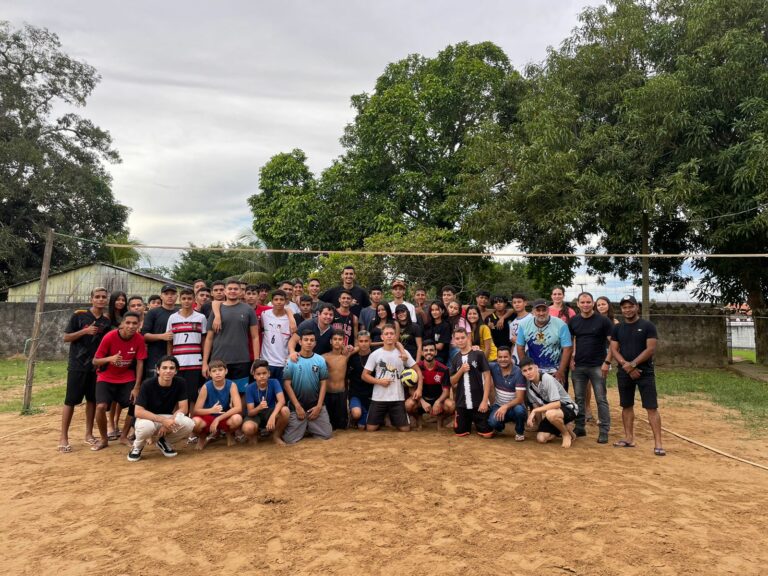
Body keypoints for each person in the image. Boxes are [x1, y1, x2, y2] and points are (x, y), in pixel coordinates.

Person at [58, 287, 112, 452]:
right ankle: (63, 437)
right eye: (97, 297)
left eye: (103, 297)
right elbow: (66, 337)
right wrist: (85, 331)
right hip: (77, 365)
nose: (101, 299)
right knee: (71, 400)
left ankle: (89, 434)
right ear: (92, 299)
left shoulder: (106, 321)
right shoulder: (79, 316)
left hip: (96, 367)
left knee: (92, 400)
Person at [609, 295, 665, 456]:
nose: (627, 310)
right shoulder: (618, 328)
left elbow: (650, 349)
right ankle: (629, 438)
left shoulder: (648, 326)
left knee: (651, 407)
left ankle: (658, 443)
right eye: (624, 307)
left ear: (637, 307)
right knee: (626, 406)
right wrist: (626, 366)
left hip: (645, 372)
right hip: (624, 372)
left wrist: (633, 364)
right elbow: (613, 348)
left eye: (630, 306)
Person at [91, 312, 147, 451]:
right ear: (122, 324)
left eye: (135, 323)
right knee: (100, 407)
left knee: (136, 402)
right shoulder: (110, 337)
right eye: (128, 323)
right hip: (106, 377)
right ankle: (104, 439)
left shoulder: (139, 339)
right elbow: (95, 360)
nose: (131, 326)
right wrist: (110, 359)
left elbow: (140, 363)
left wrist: (137, 386)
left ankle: (123, 436)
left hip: (126, 377)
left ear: (139, 324)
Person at [128, 355, 196, 462]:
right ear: (158, 370)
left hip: (166, 416)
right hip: (147, 418)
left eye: (171, 368)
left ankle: (164, 441)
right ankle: (137, 447)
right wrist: (164, 421)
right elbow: (138, 411)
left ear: (176, 371)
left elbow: (183, 409)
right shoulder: (147, 384)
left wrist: (169, 421)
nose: (168, 371)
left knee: (189, 423)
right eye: (164, 368)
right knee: (147, 427)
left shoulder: (180, 382)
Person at [203, 279, 260, 398]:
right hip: (218, 360)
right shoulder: (216, 311)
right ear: (225, 291)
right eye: (230, 289)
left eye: (236, 289)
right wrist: (205, 363)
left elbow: (255, 337)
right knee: (218, 393)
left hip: (241, 360)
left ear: (241, 292)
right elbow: (209, 339)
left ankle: (239, 416)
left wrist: (256, 360)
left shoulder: (248, 310)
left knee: (241, 394)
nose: (232, 291)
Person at [568, 291, 612, 443]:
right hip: (579, 365)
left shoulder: (603, 321)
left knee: (601, 399)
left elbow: (613, 343)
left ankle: (604, 430)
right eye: (582, 302)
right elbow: (569, 342)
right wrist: (570, 359)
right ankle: (580, 427)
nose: (585, 305)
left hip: (597, 366)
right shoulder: (573, 321)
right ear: (578, 304)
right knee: (579, 398)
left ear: (593, 303)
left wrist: (607, 362)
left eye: (588, 302)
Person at [363, 324, 421, 432]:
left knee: (405, 429)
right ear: (382, 337)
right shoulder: (375, 354)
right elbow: (364, 375)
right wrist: (379, 381)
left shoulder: (404, 353)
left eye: (391, 334)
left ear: (395, 336)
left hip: (397, 397)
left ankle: (393, 417)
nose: (389, 336)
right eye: (386, 334)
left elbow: (418, 371)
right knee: (371, 429)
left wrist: (419, 389)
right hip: (379, 397)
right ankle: (384, 418)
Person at [282, 330, 333, 444]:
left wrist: (319, 406)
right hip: (298, 406)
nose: (309, 343)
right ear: (300, 342)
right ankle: (304, 426)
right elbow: (286, 384)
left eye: (311, 340)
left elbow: (323, 383)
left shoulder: (320, 360)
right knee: (290, 440)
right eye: (306, 340)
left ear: (315, 343)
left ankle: (308, 426)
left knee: (327, 435)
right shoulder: (292, 360)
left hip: (315, 405)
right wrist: (297, 406)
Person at [520, 357, 578, 448]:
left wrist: (534, 412)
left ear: (536, 367)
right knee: (541, 438)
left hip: (568, 408)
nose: (528, 372)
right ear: (522, 373)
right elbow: (536, 405)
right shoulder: (528, 386)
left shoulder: (547, 378)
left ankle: (565, 434)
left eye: (530, 368)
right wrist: (540, 425)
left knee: (550, 414)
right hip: (553, 412)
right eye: (525, 371)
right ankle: (564, 426)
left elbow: (557, 404)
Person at [165, 288, 207, 413]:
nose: (187, 301)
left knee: (193, 395)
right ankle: (176, 425)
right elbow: (169, 340)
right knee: (176, 395)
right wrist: (169, 360)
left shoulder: (201, 317)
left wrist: (204, 360)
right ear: (180, 300)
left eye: (189, 298)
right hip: (178, 362)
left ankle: (191, 426)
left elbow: (204, 340)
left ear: (194, 300)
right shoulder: (173, 318)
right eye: (184, 299)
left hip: (195, 363)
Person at [515, 298, 572, 389]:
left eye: (544, 310)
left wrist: (561, 371)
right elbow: (520, 347)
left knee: (557, 399)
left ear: (548, 310)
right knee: (535, 399)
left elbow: (567, 348)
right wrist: (526, 368)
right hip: (534, 370)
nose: (541, 313)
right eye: (538, 310)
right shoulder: (524, 324)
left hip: (554, 369)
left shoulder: (561, 324)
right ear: (533, 311)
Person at [449, 327, 493, 438]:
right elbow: (452, 381)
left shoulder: (478, 354)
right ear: (454, 340)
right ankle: (466, 421)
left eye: (462, 338)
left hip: (479, 402)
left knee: (487, 434)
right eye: (457, 338)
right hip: (462, 403)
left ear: (468, 338)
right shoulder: (455, 358)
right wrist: (461, 371)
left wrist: (484, 401)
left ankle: (479, 419)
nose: (460, 341)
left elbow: (487, 377)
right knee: (460, 433)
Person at [192, 359, 243, 449]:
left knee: (237, 419)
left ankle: (229, 434)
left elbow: (238, 408)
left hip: (224, 416)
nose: (217, 373)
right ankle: (202, 437)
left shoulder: (231, 385)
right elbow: (196, 410)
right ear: (210, 374)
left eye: (220, 370)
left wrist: (218, 419)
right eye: (214, 371)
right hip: (208, 417)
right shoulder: (206, 387)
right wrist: (211, 410)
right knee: (194, 423)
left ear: (226, 371)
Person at [406, 341, 453, 430]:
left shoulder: (444, 369)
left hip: (438, 400)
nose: (429, 352)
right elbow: (411, 390)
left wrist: (438, 402)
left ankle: (440, 420)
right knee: (408, 404)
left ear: (435, 352)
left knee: (451, 405)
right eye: (426, 350)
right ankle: (419, 420)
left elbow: (446, 391)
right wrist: (422, 402)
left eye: (431, 350)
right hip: (421, 400)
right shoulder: (416, 368)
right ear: (422, 353)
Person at [243, 359, 290, 445]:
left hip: (270, 412)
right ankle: (255, 435)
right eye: (258, 374)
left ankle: (276, 436)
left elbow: (282, 401)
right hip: (255, 416)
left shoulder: (274, 382)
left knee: (285, 410)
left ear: (269, 373)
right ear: (254, 375)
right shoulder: (250, 388)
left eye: (264, 373)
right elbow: (250, 412)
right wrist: (259, 408)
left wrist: (273, 416)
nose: (262, 376)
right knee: (248, 428)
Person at [487, 347, 527, 441]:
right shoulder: (494, 367)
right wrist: (476, 350)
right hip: (498, 405)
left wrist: (505, 406)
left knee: (520, 411)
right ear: (497, 358)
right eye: (500, 357)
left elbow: (520, 399)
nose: (502, 359)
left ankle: (519, 431)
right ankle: (500, 426)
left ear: (510, 357)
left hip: (514, 406)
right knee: (492, 423)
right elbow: (480, 362)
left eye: (505, 357)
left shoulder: (518, 372)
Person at [141, 284, 178, 378]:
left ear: (177, 296)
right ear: (161, 296)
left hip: (177, 357)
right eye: (166, 293)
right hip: (155, 357)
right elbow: (144, 335)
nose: (170, 296)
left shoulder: (180, 313)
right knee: (154, 387)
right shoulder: (153, 313)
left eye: (172, 293)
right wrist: (162, 336)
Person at [260, 289, 296, 381]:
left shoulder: (291, 319)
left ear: (285, 301)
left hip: (283, 362)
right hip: (266, 361)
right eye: (276, 299)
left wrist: (291, 317)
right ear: (272, 301)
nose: (279, 302)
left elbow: (294, 338)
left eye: (281, 299)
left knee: (282, 391)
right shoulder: (264, 314)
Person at [323, 330, 350, 430]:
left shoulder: (346, 356)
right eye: (335, 339)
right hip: (328, 394)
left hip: (341, 394)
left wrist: (349, 347)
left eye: (340, 339)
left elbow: (359, 347)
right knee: (330, 425)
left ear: (343, 341)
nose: (337, 342)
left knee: (341, 426)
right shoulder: (324, 357)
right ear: (330, 341)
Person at [347, 331, 374, 429]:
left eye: (366, 341)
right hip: (356, 393)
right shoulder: (351, 357)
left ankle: (366, 415)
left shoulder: (376, 355)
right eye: (361, 341)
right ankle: (353, 416)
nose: (363, 343)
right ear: (357, 342)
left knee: (363, 427)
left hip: (371, 395)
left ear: (370, 341)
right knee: (357, 413)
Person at [423, 301, 451, 365]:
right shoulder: (428, 325)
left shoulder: (445, 326)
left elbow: (440, 346)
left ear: (443, 311)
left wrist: (426, 346)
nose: (434, 312)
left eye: (437, 310)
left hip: (439, 356)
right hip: (426, 354)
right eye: (432, 310)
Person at [508, 293, 530, 364]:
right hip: (516, 357)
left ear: (525, 303)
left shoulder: (532, 318)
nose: (517, 304)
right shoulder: (512, 323)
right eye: (514, 302)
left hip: (529, 353)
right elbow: (513, 342)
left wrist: (520, 338)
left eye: (519, 302)